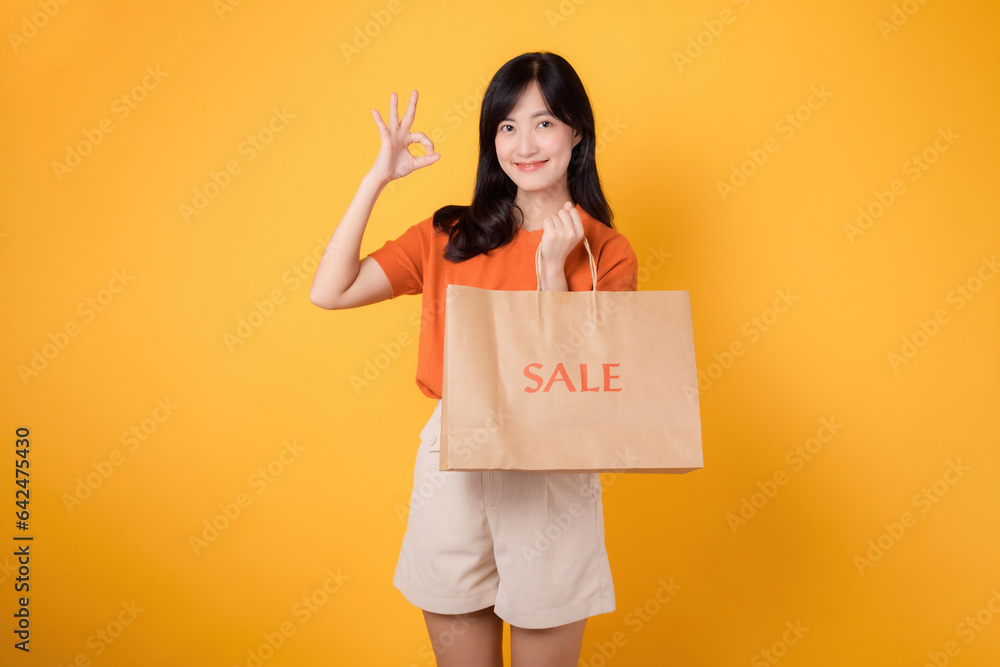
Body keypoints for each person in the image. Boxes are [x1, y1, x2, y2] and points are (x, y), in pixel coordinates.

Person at [310, 51, 638, 667]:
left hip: (551, 463)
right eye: (507, 126)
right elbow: (331, 291)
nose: (524, 143)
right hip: (453, 455)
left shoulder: (605, 252)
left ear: (577, 132)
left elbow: (574, 379)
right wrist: (374, 179)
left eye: (543, 123)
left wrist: (550, 266)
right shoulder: (451, 234)